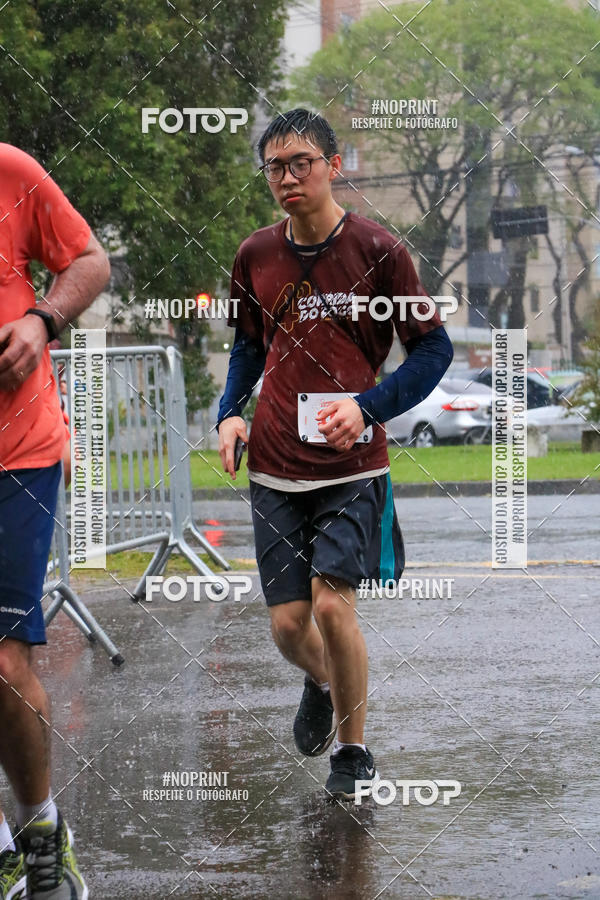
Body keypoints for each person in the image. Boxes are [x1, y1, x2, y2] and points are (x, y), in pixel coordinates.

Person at [217, 109, 453, 801]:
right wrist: (229, 413)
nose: (288, 177)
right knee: (289, 625)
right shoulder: (256, 254)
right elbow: (248, 347)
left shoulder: (379, 250)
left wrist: (368, 405)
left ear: (334, 165)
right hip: (273, 464)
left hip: (353, 466)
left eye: (302, 163)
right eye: (275, 167)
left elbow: (433, 348)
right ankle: (321, 681)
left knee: (331, 607)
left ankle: (353, 750)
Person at [0, 143, 110, 899]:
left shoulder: (9, 171)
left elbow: (91, 263)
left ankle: (42, 830)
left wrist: (42, 322)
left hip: (17, 450)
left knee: (4, 663)